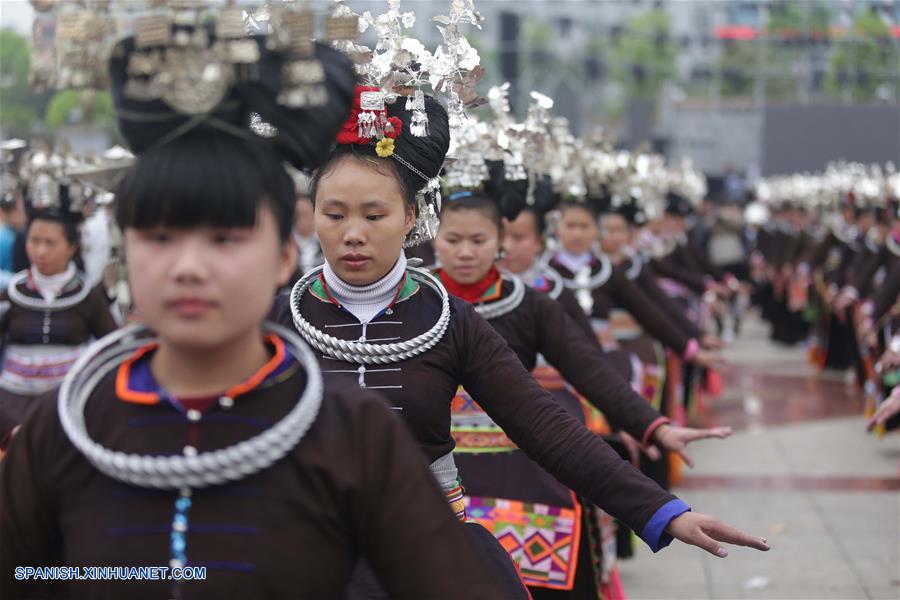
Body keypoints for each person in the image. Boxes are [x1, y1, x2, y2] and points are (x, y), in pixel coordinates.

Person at [0, 22, 506, 600]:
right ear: (124, 253)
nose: (189, 267)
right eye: (160, 237)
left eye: (226, 239)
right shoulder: (68, 427)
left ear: (284, 255)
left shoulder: (353, 434)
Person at [274, 84, 769, 598]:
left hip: (426, 552)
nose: (353, 233)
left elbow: (545, 423)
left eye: (374, 216)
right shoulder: (277, 320)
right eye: (334, 215)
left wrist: (662, 510)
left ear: (412, 218)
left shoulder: (449, 320)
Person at [434, 190, 732, 598]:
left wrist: (652, 425)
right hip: (436, 459)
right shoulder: (419, 302)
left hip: (521, 446)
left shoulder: (531, 303)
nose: (465, 252)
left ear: (499, 239)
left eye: (478, 240)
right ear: (433, 236)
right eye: (453, 240)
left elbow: (589, 366)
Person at [0, 187, 117, 440]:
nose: (40, 251)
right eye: (34, 241)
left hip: (69, 407)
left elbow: (111, 346)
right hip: (12, 408)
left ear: (71, 247)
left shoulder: (86, 296)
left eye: (50, 243)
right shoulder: (12, 292)